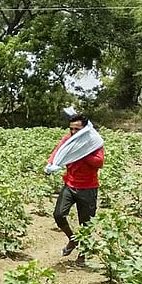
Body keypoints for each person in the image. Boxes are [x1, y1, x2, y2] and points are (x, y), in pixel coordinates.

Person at [47, 112, 104, 263]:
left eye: (77, 129)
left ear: (85, 129)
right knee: (59, 214)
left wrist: (81, 153)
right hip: (70, 184)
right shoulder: (68, 140)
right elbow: (58, 152)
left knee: (86, 223)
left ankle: (82, 255)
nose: (73, 132)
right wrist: (51, 164)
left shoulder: (93, 142)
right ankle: (73, 240)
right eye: (71, 129)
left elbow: (99, 162)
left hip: (88, 187)